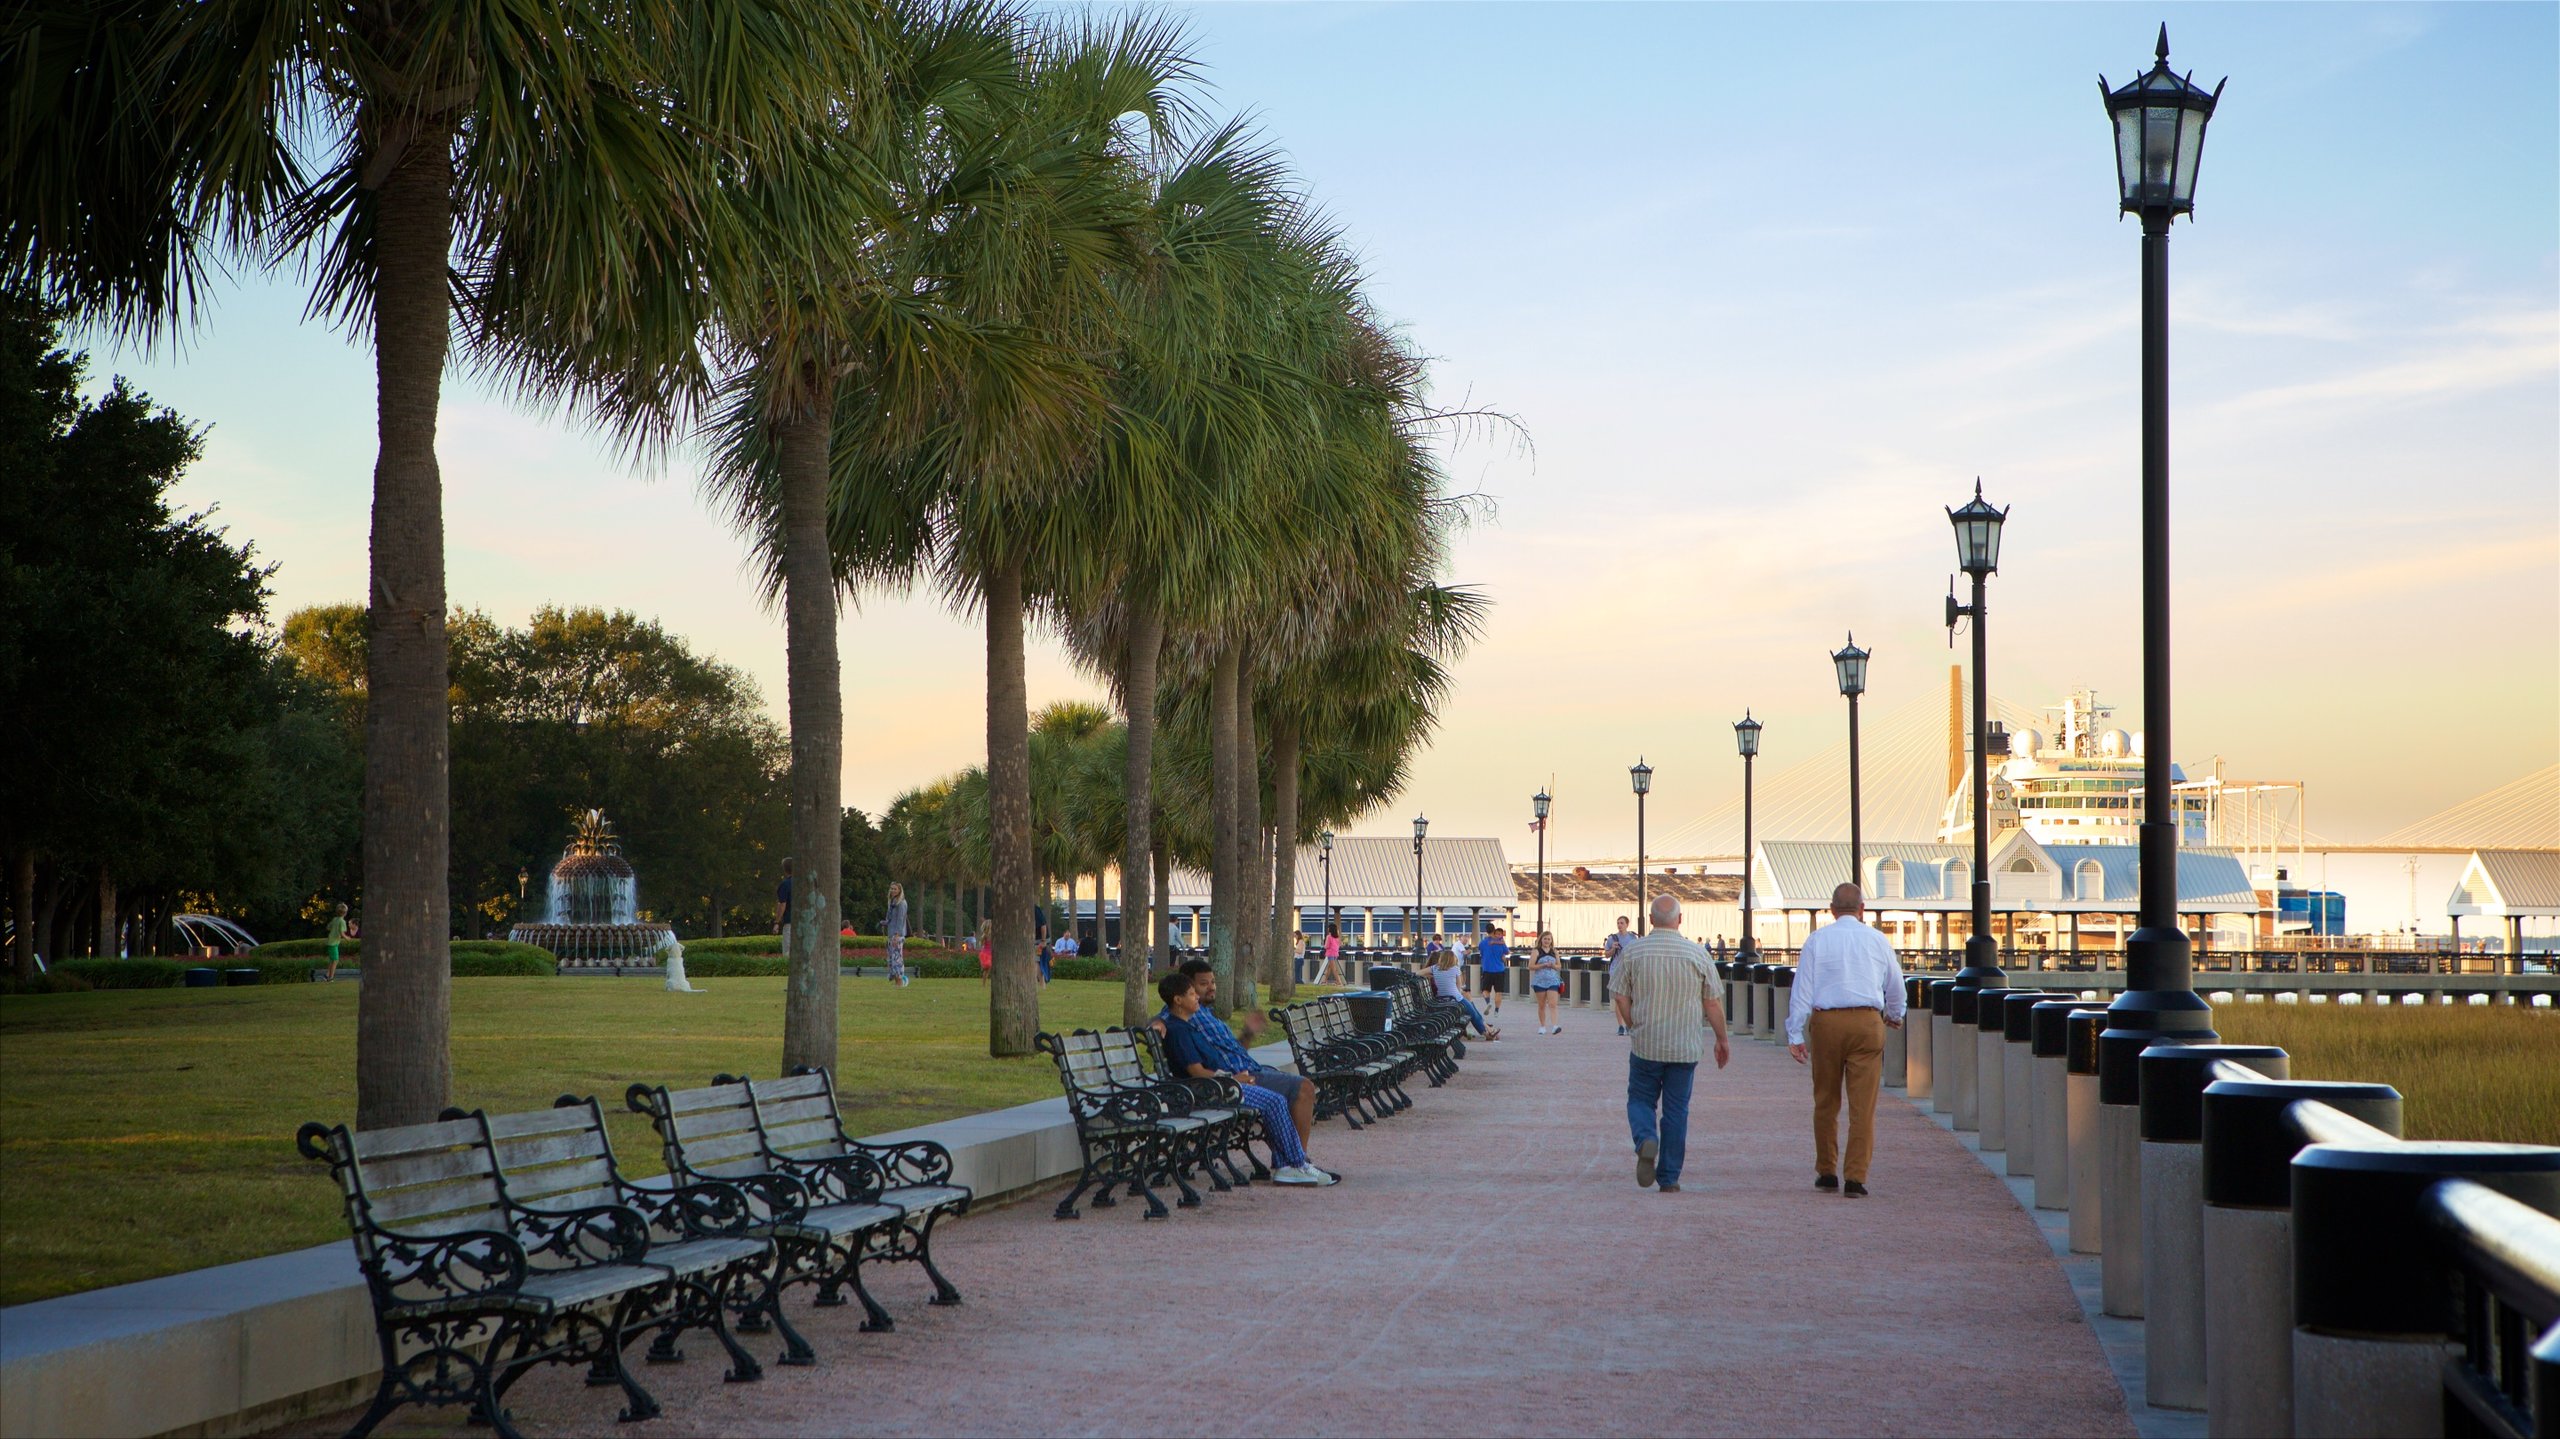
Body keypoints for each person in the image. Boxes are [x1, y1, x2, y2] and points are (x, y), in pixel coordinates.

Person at [1155, 966, 1337, 1185]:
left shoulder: (1204, 1016)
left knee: (1281, 1094)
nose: (1211, 987)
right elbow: (1168, 1023)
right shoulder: (1181, 1023)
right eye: (1201, 985)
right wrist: (1156, 1023)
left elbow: (1232, 1051)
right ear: (1182, 994)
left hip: (1238, 1075)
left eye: (1213, 982)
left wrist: (1248, 1033)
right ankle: (1295, 1163)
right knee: (1299, 1089)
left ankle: (1294, 1163)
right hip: (1220, 1086)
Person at [1787, 882, 1908, 1198]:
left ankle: (1827, 1171)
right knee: (1862, 1106)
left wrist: (1795, 1033)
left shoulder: (1817, 940)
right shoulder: (1877, 939)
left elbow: (1803, 990)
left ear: (1831, 909)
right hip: (1868, 1021)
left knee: (1826, 1100)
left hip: (1827, 1023)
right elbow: (1895, 984)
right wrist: (1894, 1014)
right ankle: (1856, 1177)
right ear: (1862, 909)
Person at [1610, 895, 1730, 1194]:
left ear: (1650, 920)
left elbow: (1620, 995)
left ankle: (1645, 1138)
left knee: (1640, 1100)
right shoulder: (1697, 954)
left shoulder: (1633, 952)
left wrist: (1632, 1023)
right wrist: (1722, 1039)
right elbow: (1712, 1002)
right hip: (1684, 1045)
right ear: (1680, 919)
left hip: (1646, 1044)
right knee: (1677, 1110)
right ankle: (1670, 1177)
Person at [1431, 947, 1500, 1039]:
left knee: (1472, 1009)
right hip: (1454, 999)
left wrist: (1431, 974)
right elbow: (1459, 987)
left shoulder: (1434, 968)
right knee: (1472, 1012)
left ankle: (1488, 1031)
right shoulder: (1455, 969)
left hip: (1441, 999)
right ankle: (1487, 1032)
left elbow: (1418, 973)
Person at [1603, 914, 1634, 1033]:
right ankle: (1620, 1025)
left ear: (1627, 924)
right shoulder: (1612, 938)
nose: (1620, 925)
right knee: (1618, 998)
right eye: (1618, 923)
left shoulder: (1632, 938)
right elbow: (1606, 954)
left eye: (1622, 923)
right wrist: (1613, 949)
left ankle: (1629, 1024)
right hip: (1616, 970)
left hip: (1629, 969)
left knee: (1630, 998)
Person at [1530, 931, 1565, 1033]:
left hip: (1552, 980)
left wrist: (1553, 966)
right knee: (1541, 1005)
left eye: (1549, 939)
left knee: (1553, 1004)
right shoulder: (1536, 951)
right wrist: (1542, 965)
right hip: (1539, 981)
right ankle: (1542, 1026)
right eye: (1545, 939)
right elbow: (1531, 966)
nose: (1547, 941)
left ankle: (1555, 1025)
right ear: (1541, 939)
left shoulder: (1554, 951)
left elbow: (1559, 966)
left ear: (1551, 941)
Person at [1475, 926, 1508, 1015]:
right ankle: (1496, 1011)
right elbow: (1506, 952)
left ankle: (1488, 1002)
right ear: (1494, 930)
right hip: (1499, 970)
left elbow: (1482, 953)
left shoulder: (1482, 943)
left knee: (1485, 990)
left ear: (1486, 931)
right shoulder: (1501, 943)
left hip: (1487, 969)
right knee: (1498, 992)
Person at [884, 883, 910, 987]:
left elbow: (900, 920)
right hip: (891, 934)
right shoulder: (892, 903)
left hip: (897, 936)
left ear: (899, 890)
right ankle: (896, 982)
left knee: (897, 960)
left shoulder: (901, 903)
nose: (892, 890)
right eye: (891, 888)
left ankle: (900, 983)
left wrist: (897, 935)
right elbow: (891, 919)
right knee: (891, 960)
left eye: (895, 889)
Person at [323, 903, 354, 981]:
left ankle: (327, 975)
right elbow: (342, 933)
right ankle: (331, 978)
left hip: (331, 942)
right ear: (345, 913)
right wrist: (347, 938)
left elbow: (328, 927)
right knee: (335, 960)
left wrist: (334, 929)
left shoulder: (335, 919)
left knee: (332, 960)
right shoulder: (342, 921)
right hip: (333, 943)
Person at [772, 858, 794, 935]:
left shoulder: (785, 885)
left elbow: (782, 904)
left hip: (790, 922)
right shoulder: (803, 884)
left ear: (784, 869)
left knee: (788, 946)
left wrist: (777, 922)